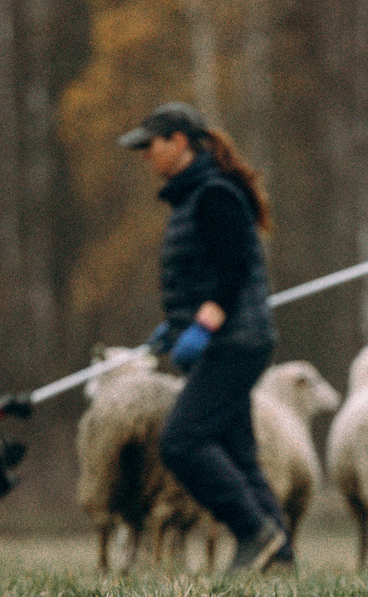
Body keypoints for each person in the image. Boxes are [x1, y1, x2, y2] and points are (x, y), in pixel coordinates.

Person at [118, 101, 290, 573]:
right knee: (239, 455)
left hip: (234, 343)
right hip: (228, 340)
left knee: (182, 441)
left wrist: (202, 326)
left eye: (150, 146)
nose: (146, 156)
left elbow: (234, 271)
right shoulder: (196, 196)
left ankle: (255, 532)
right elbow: (202, 275)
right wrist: (174, 326)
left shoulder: (213, 194)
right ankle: (280, 561)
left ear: (178, 141)